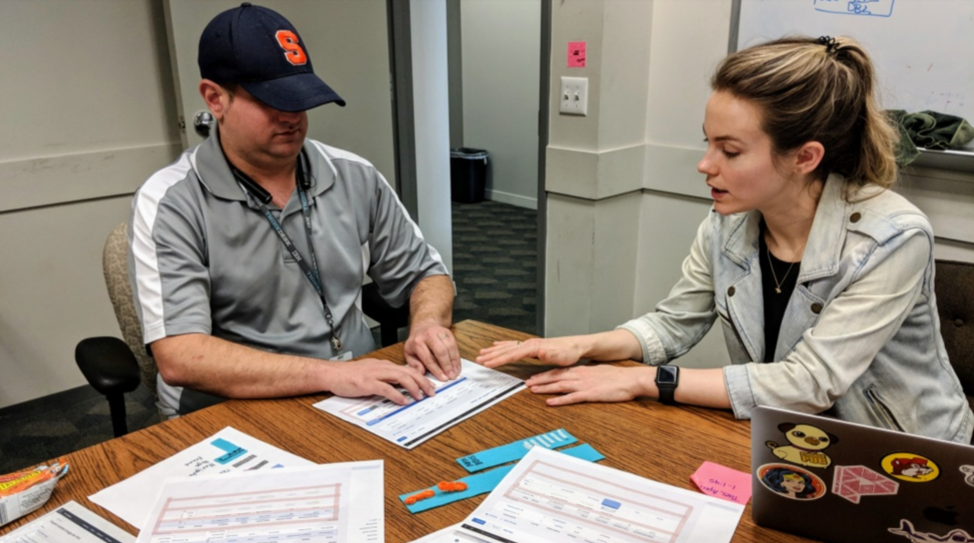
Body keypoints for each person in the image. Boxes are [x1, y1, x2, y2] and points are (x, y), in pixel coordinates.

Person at [478, 36, 974, 443]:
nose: (705, 165)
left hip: (907, 453)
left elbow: (809, 383)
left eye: (730, 150)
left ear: (805, 157)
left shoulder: (893, 238)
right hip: (795, 441)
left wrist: (643, 379)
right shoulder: (728, 222)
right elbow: (673, 324)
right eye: (707, 143)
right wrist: (582, 344)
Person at [129, 3, 458, 418]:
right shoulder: (170, 202)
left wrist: (428, 323)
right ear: (215, 99)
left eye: (300, 100)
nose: (292, 118)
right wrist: (328, 374)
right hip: (232, 409)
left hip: (360, 393)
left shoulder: (354, 175)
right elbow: (181, 356)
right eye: (271, 102)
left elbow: (426, 274)